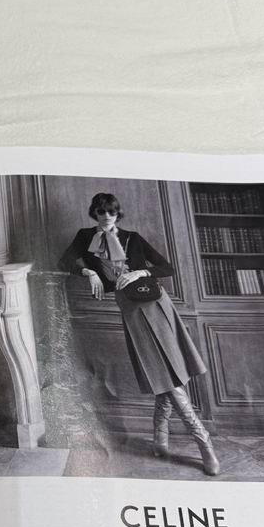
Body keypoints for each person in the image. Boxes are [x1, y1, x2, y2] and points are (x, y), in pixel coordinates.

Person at [58, 192, 220, 476]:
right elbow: (65, 261)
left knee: (167, 373)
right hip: (130, 309)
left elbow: (166, 267)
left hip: (157, 304)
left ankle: (195, 441)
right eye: (100, 211)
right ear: (94, 213)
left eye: (111, 211)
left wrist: (139, 272)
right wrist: (89, 273)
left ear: (117, 213)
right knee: (163, 372)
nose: (106, 216)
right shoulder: (85, 237)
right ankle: (174, 438)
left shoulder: (132, 238)